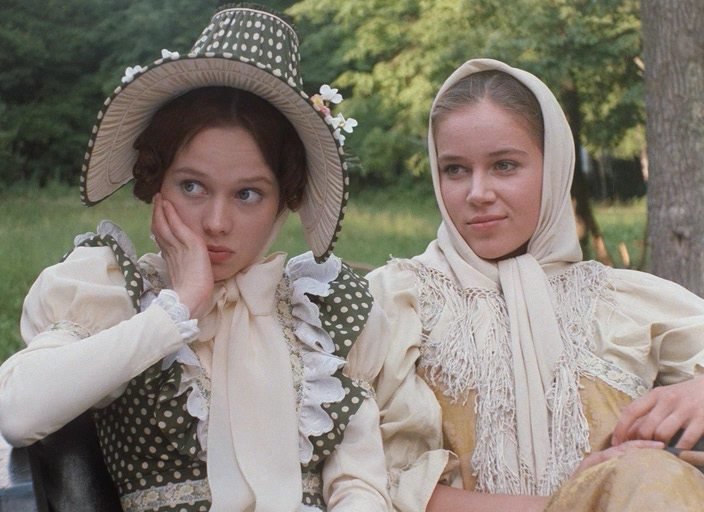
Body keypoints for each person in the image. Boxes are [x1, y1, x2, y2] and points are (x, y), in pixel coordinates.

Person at [0, 5, 391, 511]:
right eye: (192, 186)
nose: (216, 222)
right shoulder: (115, 293)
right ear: (155, 181)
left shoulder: (321, 315)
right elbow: (17, 413)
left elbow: (360, 484)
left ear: (284, 202)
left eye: (248, 194)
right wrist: (177, 308)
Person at [368, 57, 704, 512]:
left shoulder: (625, 301)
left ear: (555, 167)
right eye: (455, 170)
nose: (477, 193)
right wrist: (569, 503)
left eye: (504, 165)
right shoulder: (400, 301)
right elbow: (382, 483)